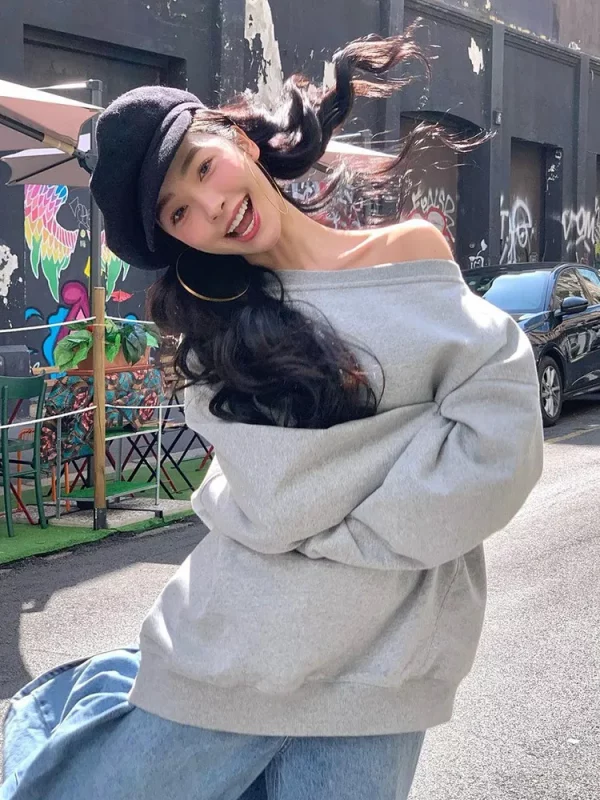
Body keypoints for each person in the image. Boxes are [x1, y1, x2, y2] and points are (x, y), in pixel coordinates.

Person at [1, 29, 543, 800]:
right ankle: (78, 705)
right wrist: (410, 449)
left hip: (381, 677)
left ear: (237, 138)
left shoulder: (410, 251)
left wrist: (327, 517)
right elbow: (275, 498)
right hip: (226, 657)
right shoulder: (216, 339)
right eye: (179, 213)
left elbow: (501, 441)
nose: (212, 208)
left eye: (201, 168)